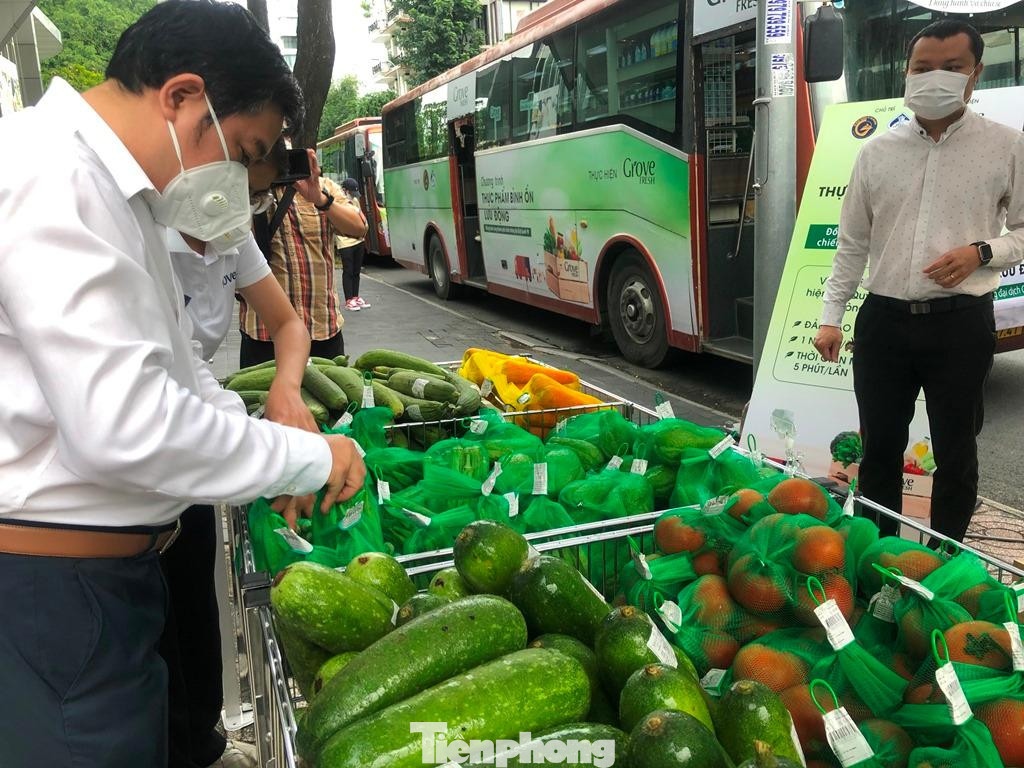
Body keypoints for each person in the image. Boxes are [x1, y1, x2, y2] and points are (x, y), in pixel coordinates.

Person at [0, 2, 365, 766]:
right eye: (242, 151)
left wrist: (272, 437)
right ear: (182, 98)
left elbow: (177, 367)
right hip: (56, 591)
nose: (238, 181)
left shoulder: (114, 191)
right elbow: (125, 422)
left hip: (101, 580)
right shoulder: (54, 174)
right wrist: (304, 460)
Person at [814, 20, 1024, 541]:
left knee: (957, 450)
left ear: (974, 74)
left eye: (951, 68)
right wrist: (829, 319)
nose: (935, 78)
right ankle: (879, 553)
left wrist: (982, 252)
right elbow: (851, 245)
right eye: (922, 68)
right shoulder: (876, 154)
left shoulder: (1006, 146)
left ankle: (942, 559)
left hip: (960, 325)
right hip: (883, 323)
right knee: (880, 448)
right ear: (906, 74)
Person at [163, 155, 319, 767]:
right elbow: (174, 379)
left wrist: (286, 384)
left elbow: (287, 322)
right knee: (154, 628)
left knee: (197, 596)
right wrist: (289, 457)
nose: (252, 199)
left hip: (196, 432)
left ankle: (205, 740)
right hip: (157, 439)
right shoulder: (148, 234)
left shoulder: (228, 229)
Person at [239, 149, 367, 367]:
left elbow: (359, 228)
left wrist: (320, 199)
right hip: (263, 333)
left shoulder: (323, 188)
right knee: (264, 400)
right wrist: (249, 190)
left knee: (333, 399)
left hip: (322, 330)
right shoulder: (244, 193)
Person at [338, 177, 371, 311]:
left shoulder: (355, 201)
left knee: (356, 271)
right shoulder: (338, 203)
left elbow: (361, 217)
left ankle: (356, 297)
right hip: (345, 242)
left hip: (359, 240)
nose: (353, 195)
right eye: (351, 192)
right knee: (348, 271)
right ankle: (348, 300)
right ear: (344, 190)